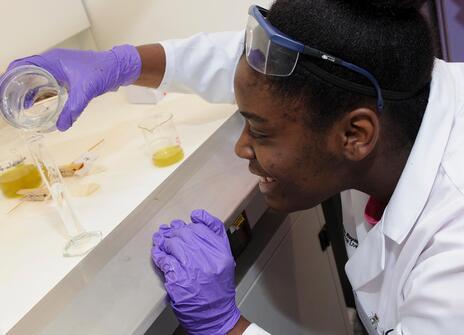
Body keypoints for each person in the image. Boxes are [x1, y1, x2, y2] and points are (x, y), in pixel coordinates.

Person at [3, 0, 464, 333]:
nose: (243, 148)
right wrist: (122, 63)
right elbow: (265, 76)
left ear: (355, 135)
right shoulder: (392, 90)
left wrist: (228, 327)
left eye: (259, 132)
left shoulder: (453, 265)